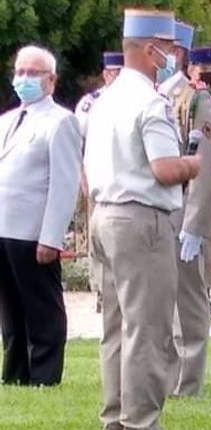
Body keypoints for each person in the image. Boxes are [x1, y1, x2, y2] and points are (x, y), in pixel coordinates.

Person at [86, 9, 200, 430]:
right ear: (152, 50)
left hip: (105, 213)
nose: (173, 56)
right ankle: (141, 423)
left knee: (115, 326)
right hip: (141, 218)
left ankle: (114, 418)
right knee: (148, 326)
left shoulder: (105, 98)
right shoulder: (150, 102)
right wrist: (196, 162)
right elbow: (165, 169)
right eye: (169, 48)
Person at [0, 45, 83, 386]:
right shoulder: (7, 120)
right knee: (11, 310)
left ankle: (45, 374)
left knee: (41, 307)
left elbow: (64, 184)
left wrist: (51, 237)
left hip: (33, 231)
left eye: (33, 73)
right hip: (4, 228)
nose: (24, 79)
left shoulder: (61, 122)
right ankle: (16, 371)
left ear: (51, 80)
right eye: (20, 72)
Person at [164, 44, 211, 397]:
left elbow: (206, 165)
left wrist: (196, 223)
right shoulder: (164, 94)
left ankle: (189, 378)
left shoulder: (198, 100)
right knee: (165, 299)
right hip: (162, 207)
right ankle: (169, 374)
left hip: (185, 208)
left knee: (188, 297)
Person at [75, 51, 123, 313]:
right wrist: (82, 176)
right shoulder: (90, 103)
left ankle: (116, 290)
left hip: (122, 179)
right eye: (113, 72)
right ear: (105, 74)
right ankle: (100, 289)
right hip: (97, 177)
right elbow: (78, 143)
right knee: (97, 239)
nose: (117, 76)